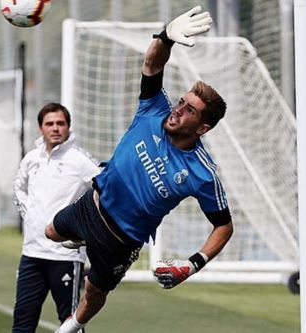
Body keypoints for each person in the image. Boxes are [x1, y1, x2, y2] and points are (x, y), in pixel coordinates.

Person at [44, 6, 234, 332]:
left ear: (202, 128)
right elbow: (152, 63)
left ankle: (71, 327)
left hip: (121, 239)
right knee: (51, 232)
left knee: (93, 291)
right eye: (181, 102)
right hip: (92, 205)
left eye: (190, 110)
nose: (178, 110)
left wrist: (192, 265)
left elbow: (224, 226)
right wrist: (166, 35)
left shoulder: (203, 173)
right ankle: (79, 237)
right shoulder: (154, 110)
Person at [12, 103, 100, 332]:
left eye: (60, 123)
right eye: (49, 123)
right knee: (22, 321)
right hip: (31, 254)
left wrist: (87, 225)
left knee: (70, 322)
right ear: (41, 127)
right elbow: (19, 187)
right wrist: (29, 213)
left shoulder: (80, 160)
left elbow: (106, 188)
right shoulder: (31, 158)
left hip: (65, 255)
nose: (55, 128)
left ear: (69, 127)